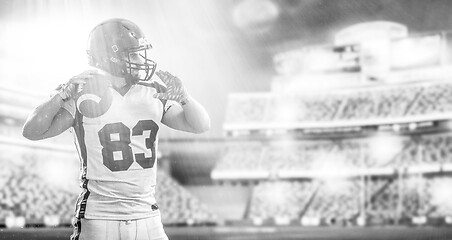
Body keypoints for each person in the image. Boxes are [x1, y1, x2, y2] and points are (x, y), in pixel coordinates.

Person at [22, 18, 210, 240]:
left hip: (147, 215)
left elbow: (200, 125)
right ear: (111, 56)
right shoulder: (82, 92)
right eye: (133, 54)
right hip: (99, 217)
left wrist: (185, 97)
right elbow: (32, 131)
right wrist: (62, 94)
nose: (140, 60)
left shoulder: (153, 91)